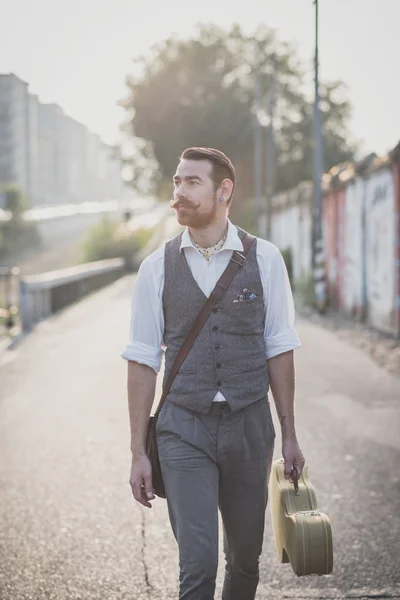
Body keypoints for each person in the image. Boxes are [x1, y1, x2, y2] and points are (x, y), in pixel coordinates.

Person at [122, 147, 305, 600]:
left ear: (224, 190)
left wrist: (289, 434)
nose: (178, 194)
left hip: (249, 424)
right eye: (176, 183)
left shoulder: (265, 259)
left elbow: (279, 348)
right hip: (183, 428)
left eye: (191, 183)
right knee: (197, 565)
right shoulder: (155, 268)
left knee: (244, 561)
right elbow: (143, 359)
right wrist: (136, 452)